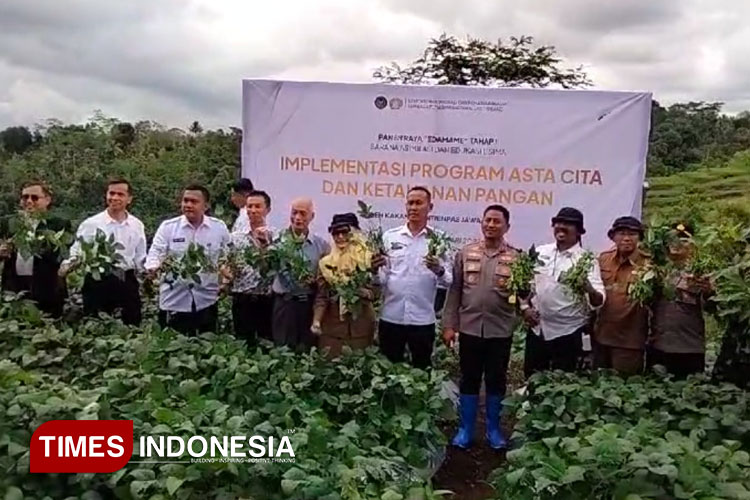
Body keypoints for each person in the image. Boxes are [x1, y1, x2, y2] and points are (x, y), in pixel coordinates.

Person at [443, 205, 518, 450]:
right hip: (470, 328)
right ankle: (465, 429)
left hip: (500, 329)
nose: (491, 225)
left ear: (507, 226)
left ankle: (494, 430)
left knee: (496, 379)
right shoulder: (466, 253)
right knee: (469, 378)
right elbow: (454, 292)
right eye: (487, 220)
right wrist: (449, 325)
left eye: (497, 221)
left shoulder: (517, 258)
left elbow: (524, 294)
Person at [373, 186, 452, 370]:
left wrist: (438, 270)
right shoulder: (389, 237)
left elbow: (448, 280)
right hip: (391, 317)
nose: (414, 207)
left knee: (422, 371)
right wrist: (373, 271)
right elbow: (382, 279)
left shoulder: (438, 240)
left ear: (430, 207)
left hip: (422, 320)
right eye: (410, 203)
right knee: (388, 372)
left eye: (419, 203)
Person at [521, 207, 605, 377]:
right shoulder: (540, 252)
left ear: (579, 231)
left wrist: (587, 287)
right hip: (538, 330)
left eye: (567, 224)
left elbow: (599, 301)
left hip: (568, 333)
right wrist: (524, 308)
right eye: (558, 223)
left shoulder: (585, 260)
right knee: (532, 379)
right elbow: (524, 285)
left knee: (563, 383)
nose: (561, 227)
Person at [145, 184, 230, 335]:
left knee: (206, 348)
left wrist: (226, 277)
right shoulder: (168, 227)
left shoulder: (219, 228)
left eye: (194, 201)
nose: (188, 205)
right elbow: (156, 252)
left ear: (206, 205)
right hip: (174, 300)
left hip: (206, 300)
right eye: (185, 201)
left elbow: (227, 256)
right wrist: (153, 268)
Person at [60, 178, 147, 325]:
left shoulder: (136, 225)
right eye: (111, 193)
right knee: (96, 323)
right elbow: (78, 251)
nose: (114, 198)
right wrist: (67, 267)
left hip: (126, 279)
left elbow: (140, 257)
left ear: (129, 199)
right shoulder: (91, 224)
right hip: (97, 279)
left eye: (120, 194)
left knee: (131, 323)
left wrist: (149, 274)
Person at [647, 222, 713, 378]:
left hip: (688, 348)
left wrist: (709, 292)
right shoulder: (656, 270)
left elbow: (714, 309)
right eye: (673, 239)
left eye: (683, 240)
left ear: (692, 245)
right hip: (659, 346)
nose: (676, 244)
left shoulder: (702, 272)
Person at [312, 213, 378, 358]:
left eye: (344, 232)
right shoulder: (326, 262)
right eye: (336, 233)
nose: (340, 237)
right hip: (332, 331)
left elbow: (377, 291)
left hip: (360, 330)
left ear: (355, 235)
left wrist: (365, 293)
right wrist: (316, 321)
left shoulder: (369, 259)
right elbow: (322, 296)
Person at [0, 182, 70, 317]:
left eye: (35, 198)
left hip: (47, 287)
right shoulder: (9, 223)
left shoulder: (59, 224)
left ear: (47, 200)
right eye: (25, 197)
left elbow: (61, 255)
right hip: (14, 285)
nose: (29, 201)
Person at [593, 217, 650, 375]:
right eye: (621, 233)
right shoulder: (603, 260)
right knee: (597, 385)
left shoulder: (649, 263)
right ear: (613, 237)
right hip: (602, 337)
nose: (626, 238)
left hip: (630, 341)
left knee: (625, 388)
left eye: (632, 234)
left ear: (639, 238)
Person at [271, 198, 330, 350]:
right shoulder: (276, 241)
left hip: (308, 306)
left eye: (303, 213)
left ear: (312, 216)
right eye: (294, 213)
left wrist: (315, 280)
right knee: (282, 349)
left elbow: (325, 279)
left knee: (306, 350)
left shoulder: (321, 245)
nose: (298, 218)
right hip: (284, 304)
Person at [225, 190, 275, 345]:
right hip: (242, 297)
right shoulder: (235, 237)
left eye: (258, 206)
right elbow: (225, 262)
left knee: (266, 341)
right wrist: (227, 275)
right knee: (243, 342)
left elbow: (276, 267)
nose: (253, 210)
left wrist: (265, 246)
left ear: (267, 209)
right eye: (250, 206)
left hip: (266, 298)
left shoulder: (277, 236)